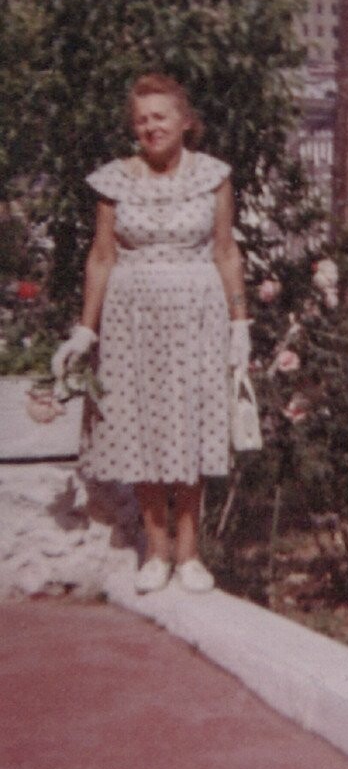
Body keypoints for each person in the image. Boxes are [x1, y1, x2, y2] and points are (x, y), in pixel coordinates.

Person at [51, 73, 251, 594]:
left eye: (160, 117)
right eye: (141, 120)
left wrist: (240, 323)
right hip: (131, 317)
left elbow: (225, 251)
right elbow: (101, 257)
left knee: (190, 424)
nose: (150, 127)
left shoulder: (213, 176)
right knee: (141, 426)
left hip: (197, 313)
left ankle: (189, 554)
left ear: (185, 122)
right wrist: (84, 331)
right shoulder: (115, 181)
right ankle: (155, 551)